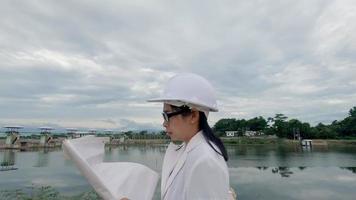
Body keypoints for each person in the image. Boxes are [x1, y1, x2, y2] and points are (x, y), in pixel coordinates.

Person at [148, 73, 234, 200]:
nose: (164, 124)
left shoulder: (204, 161)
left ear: (193, 115)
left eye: (167, 115)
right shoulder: (190, 150)